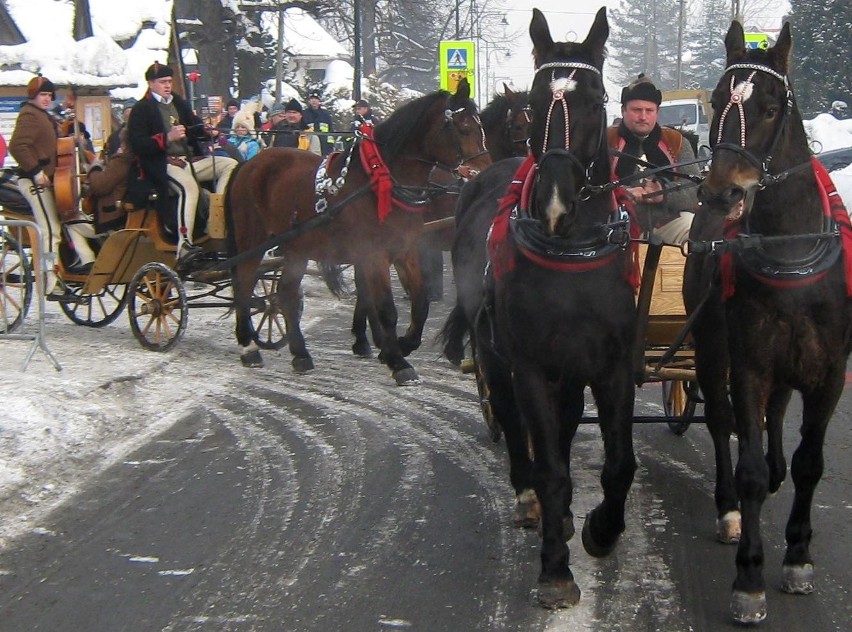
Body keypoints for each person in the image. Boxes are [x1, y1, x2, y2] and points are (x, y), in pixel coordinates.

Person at [126, 62, 238, 268]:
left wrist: (206, 131)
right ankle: (184, 244)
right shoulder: (142, 109)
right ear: (151, 84)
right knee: (189, 188)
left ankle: (217, 222)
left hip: (189, 160)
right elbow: (138, 144)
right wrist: (167, 137)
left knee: (229, 165)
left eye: (169, 81)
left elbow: (193, 126)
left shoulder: (178, 102)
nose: (167, 86)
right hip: (162, 164)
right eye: (162, 82)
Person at [9, 74, 98, 301]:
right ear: (34, 96)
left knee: (66, 223)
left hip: (51, 182)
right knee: (50, 229)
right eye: (43, 95)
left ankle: (76, 263)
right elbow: (17, 146)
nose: (47, 99)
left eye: (49, 95)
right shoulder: (29, 115)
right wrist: (36, 171)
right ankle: (50, 282)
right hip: (33, 181)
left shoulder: (44, 116)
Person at [608, 74, 700, 245]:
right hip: (616, 222)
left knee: (696, 231)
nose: (643, 117)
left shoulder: (677, 141)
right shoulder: (606, 140)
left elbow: (696, 190)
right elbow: (591, 188)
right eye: (636, 110)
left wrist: (663, 194)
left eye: (649, 111)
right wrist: (625, 194)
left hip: (668, 222)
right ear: (623, 111)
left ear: (657, 112)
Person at [303, 90, 333, 155]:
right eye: (312, 99)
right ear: (309, 101)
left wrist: (330, 146)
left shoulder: (326, 115)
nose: (314, 101)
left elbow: (331, 132)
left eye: (316, 99)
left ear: (319, 101)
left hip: (324, 147)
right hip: (308, 146)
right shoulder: (304, 114)